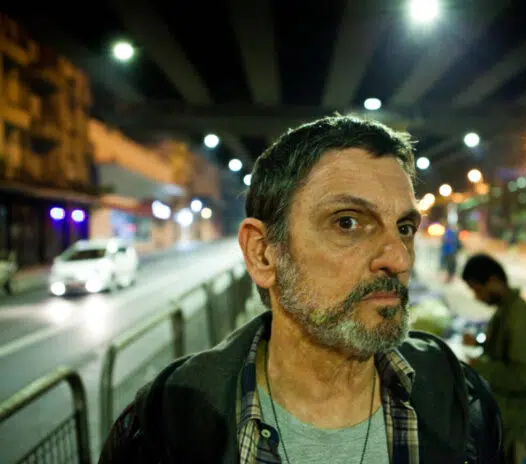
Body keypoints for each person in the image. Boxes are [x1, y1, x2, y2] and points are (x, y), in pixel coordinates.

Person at [99, 116, 503, 463]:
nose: (399, 258)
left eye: (404, 227)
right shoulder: (167, 425)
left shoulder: (460, 399)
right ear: (262, 254)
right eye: (347, 222)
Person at [461, 253, 526, 463]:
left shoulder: (518, 317)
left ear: (493, 281)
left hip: (520, 413)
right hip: (508, 405)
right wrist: (480, 344)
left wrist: (479, 367)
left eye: (477, 290)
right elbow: (503, 353)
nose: (477, 297)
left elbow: (525, 376)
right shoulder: (505, 312)